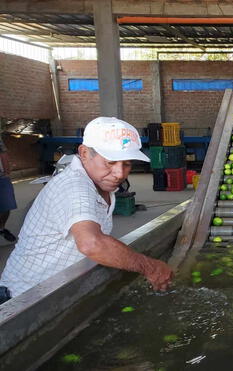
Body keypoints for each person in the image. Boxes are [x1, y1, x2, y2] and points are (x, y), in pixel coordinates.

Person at [0, 117, 173, 303]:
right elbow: (92, 244)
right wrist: (150, 267)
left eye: (127, 163)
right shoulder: (74, 186)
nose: (120, 174)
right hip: (21, 300)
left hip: (55, 293)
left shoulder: (101, 184)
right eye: (110, 162)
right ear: (83, 153)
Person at [0, 134, 18, 243]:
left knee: (7, 205)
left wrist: (7, 172)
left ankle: (1, 228)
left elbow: (3, 152)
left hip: (1, 177)